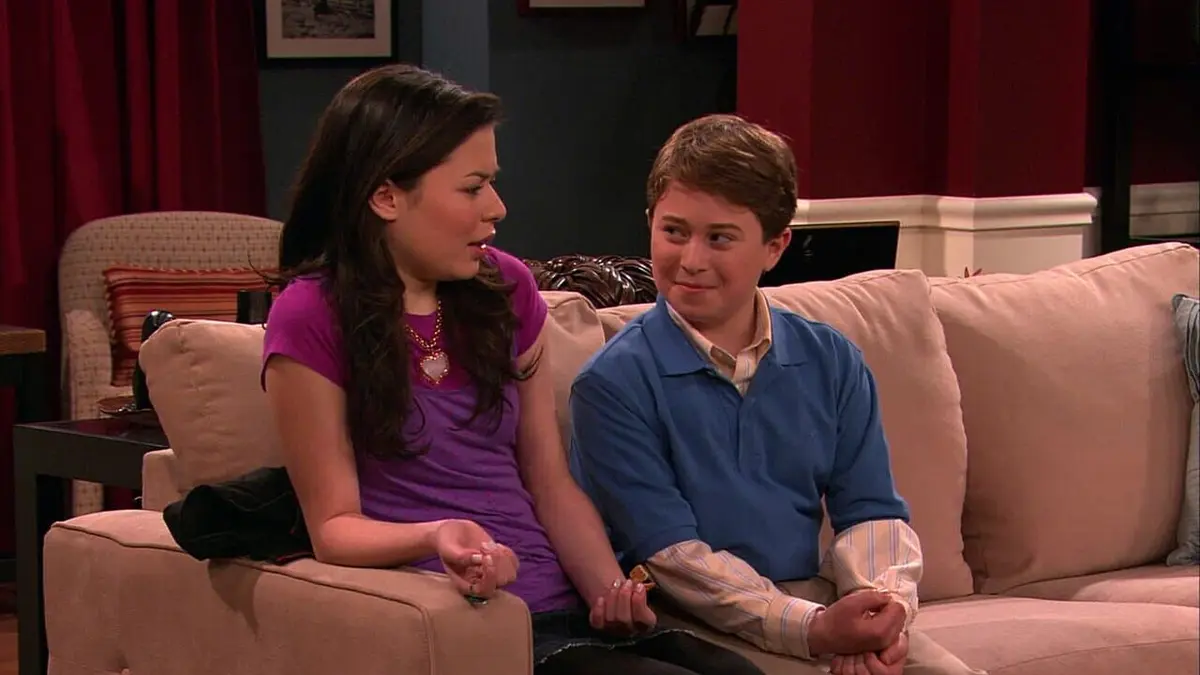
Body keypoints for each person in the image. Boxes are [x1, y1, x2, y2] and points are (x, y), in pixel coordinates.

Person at [260, 65, 764, 675]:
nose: (496, 209)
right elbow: (333, 528)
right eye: (472, 188)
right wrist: (436, 534)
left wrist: (608, 593)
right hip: (469, 621)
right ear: (386, 196)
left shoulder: (504, 288)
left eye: (492, 184)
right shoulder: (311, 315)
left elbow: (548, 480)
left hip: (563, 607)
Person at [569, 114, 987, 675]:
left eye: (719, 238)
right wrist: (813, 630)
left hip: (813, 595)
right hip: (691, 616)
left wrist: (882, 611)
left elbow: (870, 512)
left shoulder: (830, 358)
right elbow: (673, 558)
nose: (691, 259)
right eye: (674, 232)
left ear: (775, 246)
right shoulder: (612, 384)